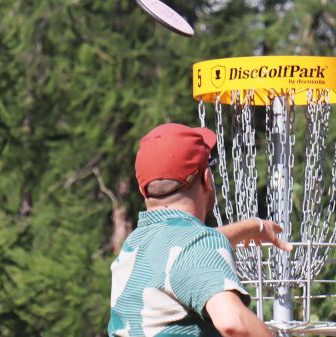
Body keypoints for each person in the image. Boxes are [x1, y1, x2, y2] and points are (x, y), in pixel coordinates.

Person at [108, 123, 292, 337]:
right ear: (206, 178)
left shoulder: (135, 244)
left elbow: (181, 253)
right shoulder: (199, 246)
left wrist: (253, 227)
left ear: (143, 190)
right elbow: (234, 323)